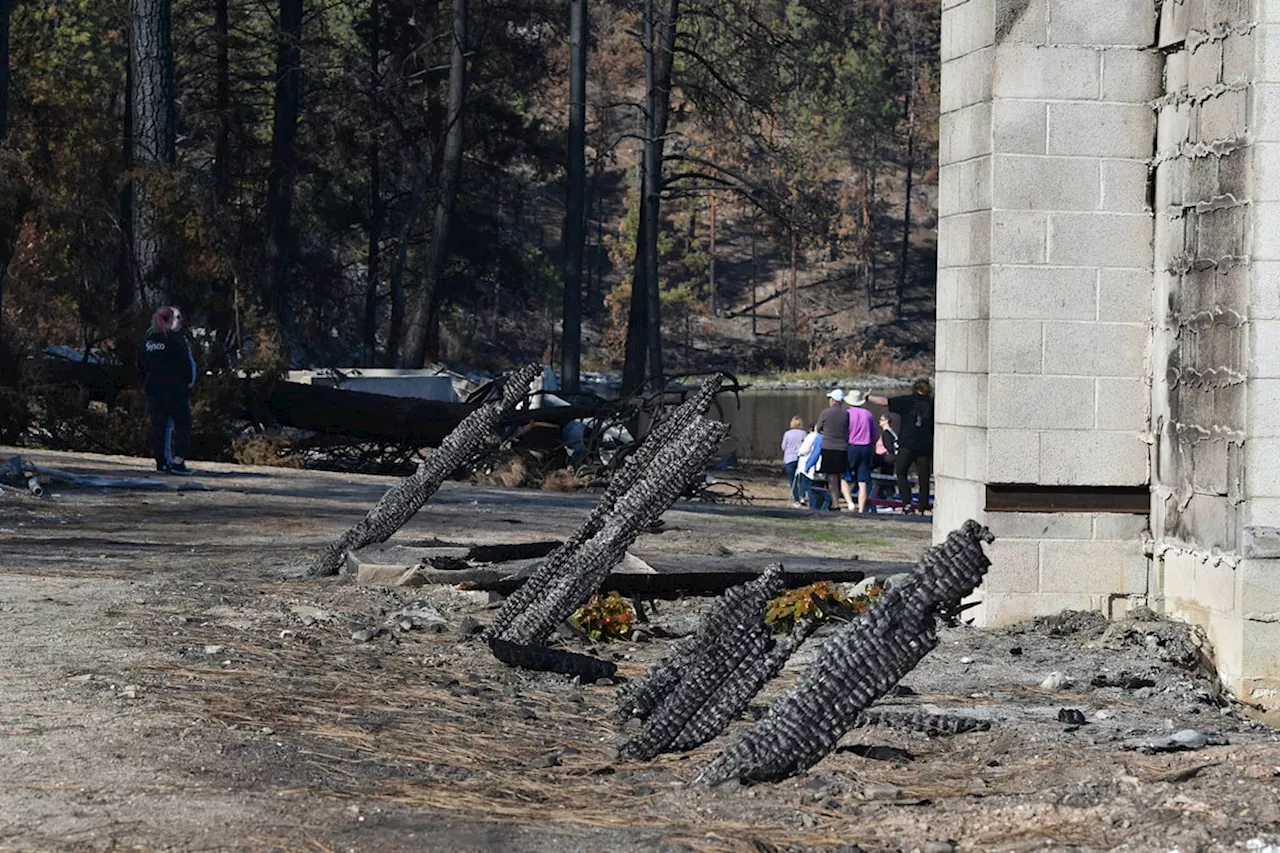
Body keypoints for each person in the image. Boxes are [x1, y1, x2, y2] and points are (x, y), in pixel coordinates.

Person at [138, 306, 197, 475]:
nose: (179, 322)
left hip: (154, 388)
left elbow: (141, 365)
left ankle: (161, 462)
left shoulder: (148, 342)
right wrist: (188, 383)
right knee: (183, 422)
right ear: (169, 320)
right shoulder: (175, 340)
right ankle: (178, 461)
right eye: (176, 318)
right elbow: (185, 364)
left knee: (159, 425)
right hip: (175, 388)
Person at [869, 378, 934, 514]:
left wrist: (868, 397)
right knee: (924, 478)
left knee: (901, 472)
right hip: (925, 446)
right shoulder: (933, 403)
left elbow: (885, 402)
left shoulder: (908, 400)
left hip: (907, 444)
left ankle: (907, 504)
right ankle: (922, 507)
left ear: (915, 388)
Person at [815, 388, 853, 511]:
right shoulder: (846, 414)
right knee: (841, 476)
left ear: (832, 400)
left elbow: (818, 427)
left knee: (831, 477)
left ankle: (835, 503)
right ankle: (849, 501)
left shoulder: (826, 413)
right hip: (842, 447)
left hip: (829, 447)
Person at [844, 389, 879, 513]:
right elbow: (875, 435)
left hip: (851, 446)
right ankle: (861, 508)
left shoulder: (847, 414)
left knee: (844, 477)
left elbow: (844, 432)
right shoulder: (868, 414)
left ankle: (850, 503)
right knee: (863, 481)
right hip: (866, 447)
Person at [794, 425, 833, 511]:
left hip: (815, 469)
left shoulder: (815, 437)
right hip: (830, 468)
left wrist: (808, 465)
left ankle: (815, 509)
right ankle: (825, 507)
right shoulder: (832, 438)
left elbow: (814, 453)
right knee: (826, 489)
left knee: (813, 490)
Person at [780, 415, 808, 507]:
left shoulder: (787, 434)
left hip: (789, 459)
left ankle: (796, 499)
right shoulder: (804, 433)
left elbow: (783, 447)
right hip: (800, 459)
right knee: (802, 478)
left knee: (793, 480)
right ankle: (802, 496)